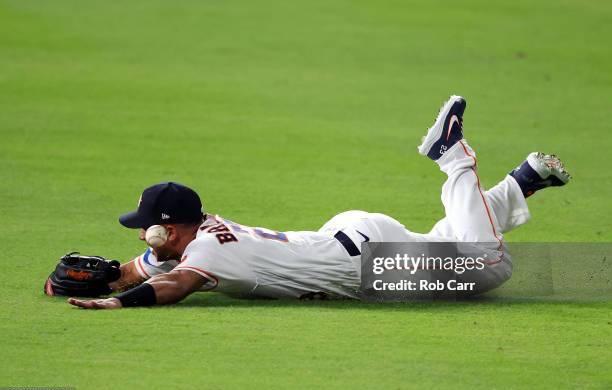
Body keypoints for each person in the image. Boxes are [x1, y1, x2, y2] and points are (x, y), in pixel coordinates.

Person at [68, 95, 571, 309]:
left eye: (148, 227)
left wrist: (117, 300)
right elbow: (153, 265)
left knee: (488, 264)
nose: (141, 234)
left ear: (173, 228)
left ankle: (453, 156)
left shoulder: (204, 257)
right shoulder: (204, 233)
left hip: (373, 266)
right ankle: (523, 181)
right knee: (453, 242)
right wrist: (107, 276)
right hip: (356, 237)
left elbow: (174, 284)